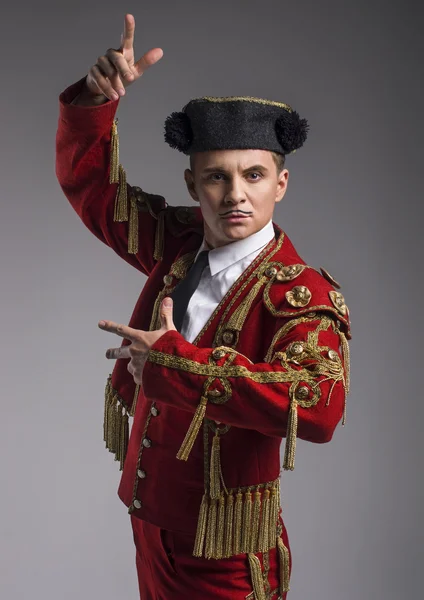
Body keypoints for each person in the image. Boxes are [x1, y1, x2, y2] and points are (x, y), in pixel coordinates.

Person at [56, 13, 351, 600]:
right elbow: (95, 192)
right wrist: (94, 102)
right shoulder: (178, 243)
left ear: (281, 184)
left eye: (254, 175)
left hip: (225, 546)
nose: (236, 194)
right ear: (193, 185)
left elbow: (318, 406)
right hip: (148, 521)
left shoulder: (299, 294)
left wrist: (178, 366)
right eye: (217, 177)